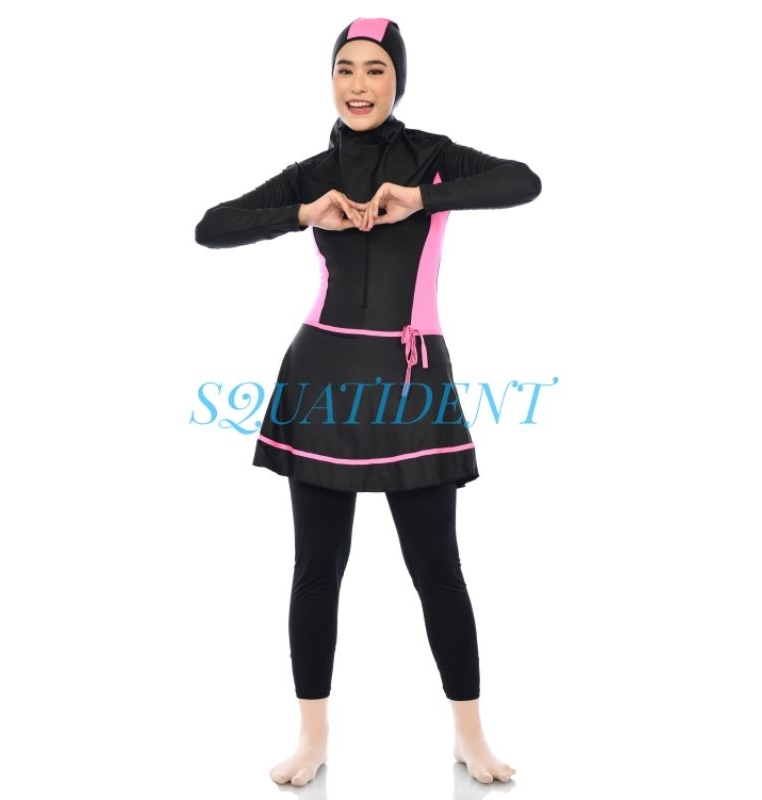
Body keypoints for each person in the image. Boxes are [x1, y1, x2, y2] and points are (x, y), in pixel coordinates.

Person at [195, 17, 541, 787]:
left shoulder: (432, 158)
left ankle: (471, 736)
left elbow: (523, 181)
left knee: (437, 568)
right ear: (331, 79)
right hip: (320, 379)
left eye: (375, 70)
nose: (358, 85)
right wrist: (303, 213)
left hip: (412, 384)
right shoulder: (312, 173)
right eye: (345, 69)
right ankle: (311, 738)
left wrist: (420, 198)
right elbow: (210, 228)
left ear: (397, 80)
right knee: (317, 567)